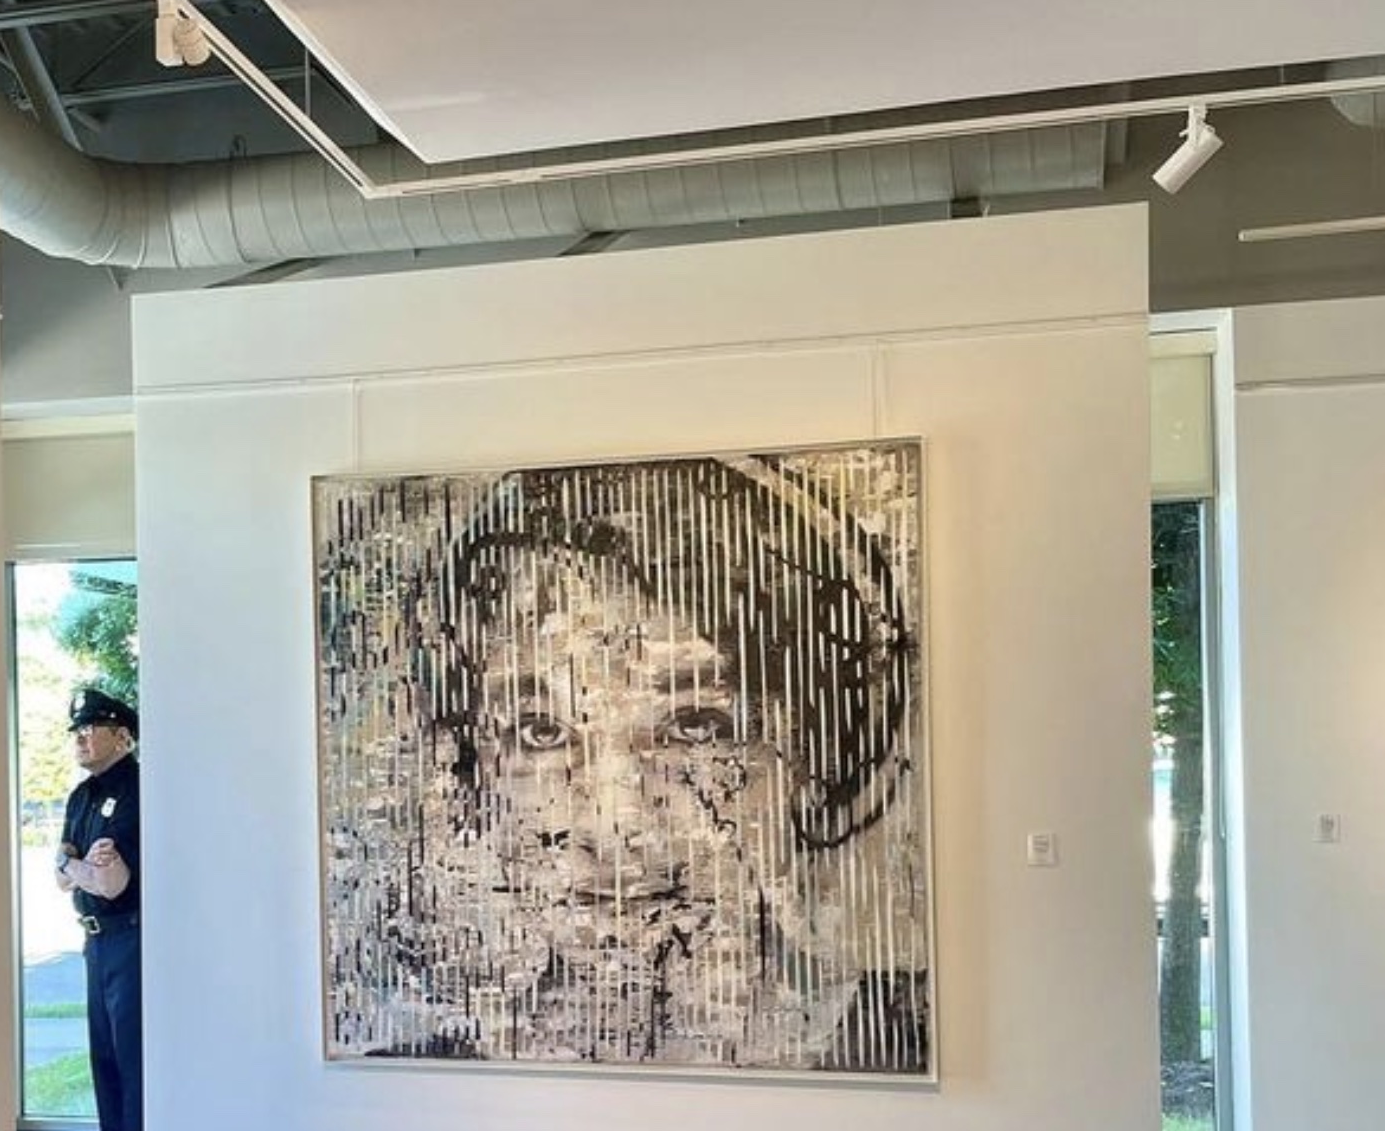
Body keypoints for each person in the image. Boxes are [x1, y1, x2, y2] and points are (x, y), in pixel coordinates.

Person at [317, 447, 928, 1074]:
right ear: (474, 770)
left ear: (811, 757)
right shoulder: (420, 1079)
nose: (618, 823)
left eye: (695, 727)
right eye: (541, 732)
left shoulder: (909, 1044)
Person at [53, 687, 145, 1131]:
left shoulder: (137, 789)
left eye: (92, 729)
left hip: (130, 937)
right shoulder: (81, 797)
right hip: (95, 940)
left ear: (123, 736)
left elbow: (113, 883)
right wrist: (78, 866)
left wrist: (78, 868)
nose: (82, 738)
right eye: (78, 731)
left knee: (133, 1062)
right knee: (104, 1061)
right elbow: (62, 873)